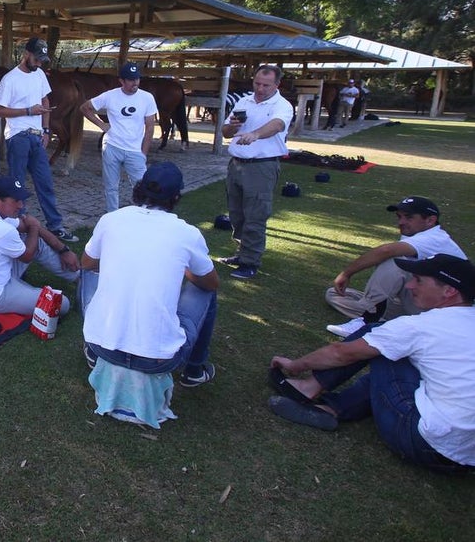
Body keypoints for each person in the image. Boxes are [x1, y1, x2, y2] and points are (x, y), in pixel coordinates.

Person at [268, 254, 475, 474]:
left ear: (449, 291)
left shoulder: (421, 327)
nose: (410, 285)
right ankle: (332, 408)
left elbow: (341, 354)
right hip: (468, 458)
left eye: (419, 280)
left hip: (425, 444)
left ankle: (307, 387)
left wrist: (295, 365)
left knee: (378, 337)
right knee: (400, 350)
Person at [80, 161, 221, 387]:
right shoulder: (187, 233)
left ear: (139, 188)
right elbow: (211, 283)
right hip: (157, 359)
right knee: (205, 290)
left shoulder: (111, 220)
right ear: (176, 197)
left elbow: (87, 263)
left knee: (89, 271)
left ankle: (94, 349)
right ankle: (194, 369)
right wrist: (183, 268)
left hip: (102, 347)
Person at [324, 196, 467, 336]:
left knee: (394, 260)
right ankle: (386, 319)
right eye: (399, 217)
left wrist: (346, 273)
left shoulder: (434, 238)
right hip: (423, 303)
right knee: (333, 294)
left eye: (409, 217)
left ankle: (368, 319)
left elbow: (386, 251)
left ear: (430, 220)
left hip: (446, 313)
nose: (401, 222)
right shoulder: (414, 234)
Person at [0, 175, 82, 316]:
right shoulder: (2, 229)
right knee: (62, 303)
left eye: (21, 200)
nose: (21, 205)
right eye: (16, 201)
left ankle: (80, 277)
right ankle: (34, 293)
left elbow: (29, 228)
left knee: (33, 239)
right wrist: (34, 226)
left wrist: (64, 250)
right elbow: (27, 256)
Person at [0, 37, 76, 242]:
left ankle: (55, 225)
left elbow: (45, 101)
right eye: (36, 59)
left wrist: (46, 130)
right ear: (26, 54)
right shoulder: (10, 79)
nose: (39, 63)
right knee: (18, 185)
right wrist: (28, 111)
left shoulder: (39, 74)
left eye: (42, 60)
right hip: (17, 137)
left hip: (37, 136)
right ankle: (19, 225)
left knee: (45, 182)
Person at [218, 64, 293, 279]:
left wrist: (256, 134)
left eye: (265, 85)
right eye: (257, 83)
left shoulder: (282, 105)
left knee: (255, 215)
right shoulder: (244, 101)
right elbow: (225, 132)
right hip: (237, 164)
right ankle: (242, 253)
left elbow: (277, 125)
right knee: (237, 214)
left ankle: (250, 262)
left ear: (277, 85)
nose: (260, 89)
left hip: (261, 166)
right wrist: (232, 126)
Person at [79, 61, 157, 213]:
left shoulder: (147, 98)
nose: (135, 83)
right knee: (111, 187)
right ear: (121, 80)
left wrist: (144, 153)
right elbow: (85, 107)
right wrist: (101, 125)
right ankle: (112, 216)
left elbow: (150, 127)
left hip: (135, 150)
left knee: (142, 187)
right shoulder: (110, 96)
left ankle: (144, 215)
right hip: (112, 147)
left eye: (137, 79)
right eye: (131, 80)